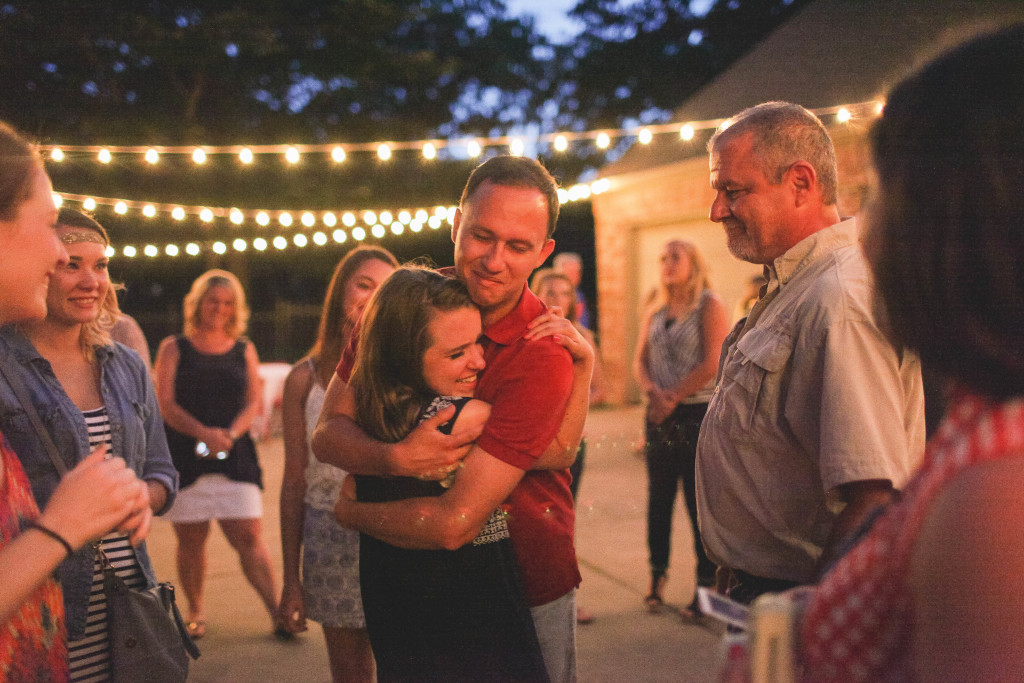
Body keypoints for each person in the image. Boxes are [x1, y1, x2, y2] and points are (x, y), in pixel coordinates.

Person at [794, 26, 1024, 680]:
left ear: (964, 223)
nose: (864, 238)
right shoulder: (983, 407)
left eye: (879, 198)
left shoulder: (1000, 499)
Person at [316, 155, 595, 683]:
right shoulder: (398, 308)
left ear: (544, 252)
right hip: (407, 570)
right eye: (481, 236)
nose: (494, 260)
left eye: (518, 246)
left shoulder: (543, 349)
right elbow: (327, 434)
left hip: (523, 578)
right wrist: (394, 457)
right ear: (454, 225)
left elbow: (454, 522)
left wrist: (352, 514)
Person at [695, 101, 926, 605]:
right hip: (762, 588)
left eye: (733, 191)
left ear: (801, 183)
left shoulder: (839, 297)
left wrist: (810, 626)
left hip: (801, 597)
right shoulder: (797, 283)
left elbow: (874, 498)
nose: (716, 211)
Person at [340, 266, 549, 681]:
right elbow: (557, 447)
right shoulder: (462, 416)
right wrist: (582, 370)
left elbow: (345, 478)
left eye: (477, 343)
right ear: (405, 357)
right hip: (470, 605)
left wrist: (349, 511)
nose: (479, 360)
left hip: (394, 598)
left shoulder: (369, 418)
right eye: (457, 353)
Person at [0, 121, 152, 682]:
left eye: (99, 262)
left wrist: (127, 493)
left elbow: (158, 468)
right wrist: (62, 525)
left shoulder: (125, 364)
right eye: (46, 226)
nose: (56, 249)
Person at [278, 246, 396, 682]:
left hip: (394, 533)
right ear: (339, 293)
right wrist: (291, 579)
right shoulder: (303, 379)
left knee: (407, 666)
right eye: (363, 284)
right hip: (328, 541)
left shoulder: (401, 371)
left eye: (384, 288)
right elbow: (294, 483)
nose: (370, 297)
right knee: (350, 675)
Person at [154, 269, 281, 640]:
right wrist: (203, 434)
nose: (219, 308)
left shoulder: (244, 348)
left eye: (227, 303)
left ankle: (277, 611)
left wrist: (228, 435)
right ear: (198, 303)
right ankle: (195, 610)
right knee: (191, 541)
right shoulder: (174, 347)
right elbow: (165, 403)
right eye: (213, 301)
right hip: (186, 454)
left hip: (235, 454)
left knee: (249, 536)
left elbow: (254, 402)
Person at [633, 239, 729, 614]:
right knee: (658, 500)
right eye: (662, 258)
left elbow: (712, 362)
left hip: (694, 414)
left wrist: (671, 397)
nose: (667, 264)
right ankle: (657, 576)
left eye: (676, 257)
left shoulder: (709, 303)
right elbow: (639, 361)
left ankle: (706, 585)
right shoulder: (654, 308)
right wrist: (650, 392)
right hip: (658, 414)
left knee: (696, 501)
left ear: (694, 262)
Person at [531, 268, 605, 624]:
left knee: (562, 522)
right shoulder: (526, 336)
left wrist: (573, 402)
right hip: (532, 443)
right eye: (549, 290)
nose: (556, 298)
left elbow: (600, 388)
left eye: (563, 292)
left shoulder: (582, 337)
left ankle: (568, 599)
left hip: (571, 442)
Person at [552, 252, 591, 330]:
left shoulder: (579, 294)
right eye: (570, 272)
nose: (575, 276)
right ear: (557, 272)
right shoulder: (550, 294)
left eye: (577, 272)